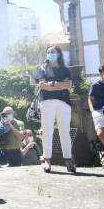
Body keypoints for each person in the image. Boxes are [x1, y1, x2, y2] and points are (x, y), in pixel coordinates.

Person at [35, 45, 76, 173]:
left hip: (63, 102)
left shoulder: (65, 69)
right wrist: (59, 85)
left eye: (52, 52)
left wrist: (52, 83)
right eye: (48, 52)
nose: (50, 54)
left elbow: (69, 84)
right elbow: (43, 86)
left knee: (65, 131)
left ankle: (68, 161)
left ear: (58, 54)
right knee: (47, 131)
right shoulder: (42, 69)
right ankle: (47, 159)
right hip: (47, 102)